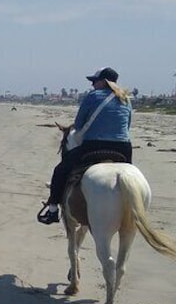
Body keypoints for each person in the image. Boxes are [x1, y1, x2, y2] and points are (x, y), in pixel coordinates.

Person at [37, 67, 132, 224]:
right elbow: (127, 126)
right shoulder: (126, 98)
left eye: (94, 82)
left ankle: (52, 210)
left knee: (60, 170)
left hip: (95, 145)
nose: (93, 85)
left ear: (103, 82)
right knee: (129, 177)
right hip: (123, 148)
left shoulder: (93, 96)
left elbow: (80, 124)